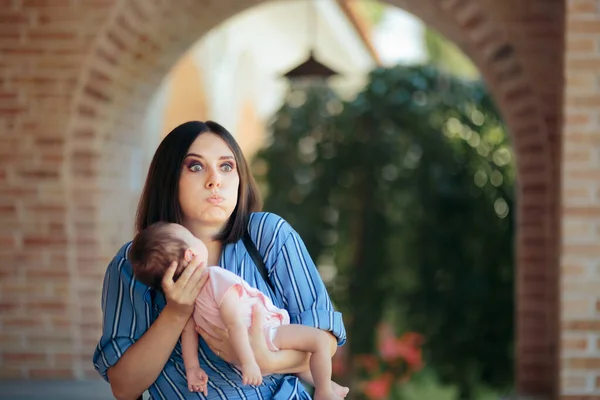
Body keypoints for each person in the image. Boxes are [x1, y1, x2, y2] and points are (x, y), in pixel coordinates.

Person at [92, 120, 346, 400]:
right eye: (195, 166)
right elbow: (124, 388)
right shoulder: (133, 264)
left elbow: (324, 339)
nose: (215, 180)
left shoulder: (268, 235)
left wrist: (264, 360)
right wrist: (176, 312)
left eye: (227, 166)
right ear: (168, 178)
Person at [129, 221, 349, 400]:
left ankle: (331, 386)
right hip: (265, 333)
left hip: (238, 354)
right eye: (192, 238)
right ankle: (324, 392)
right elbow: (235, 323)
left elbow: (188, 334)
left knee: (299, 364)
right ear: (189, 255)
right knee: (319, 341)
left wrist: (193, 369)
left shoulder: (188, 301)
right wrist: (249, 362)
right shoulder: (215, 277)